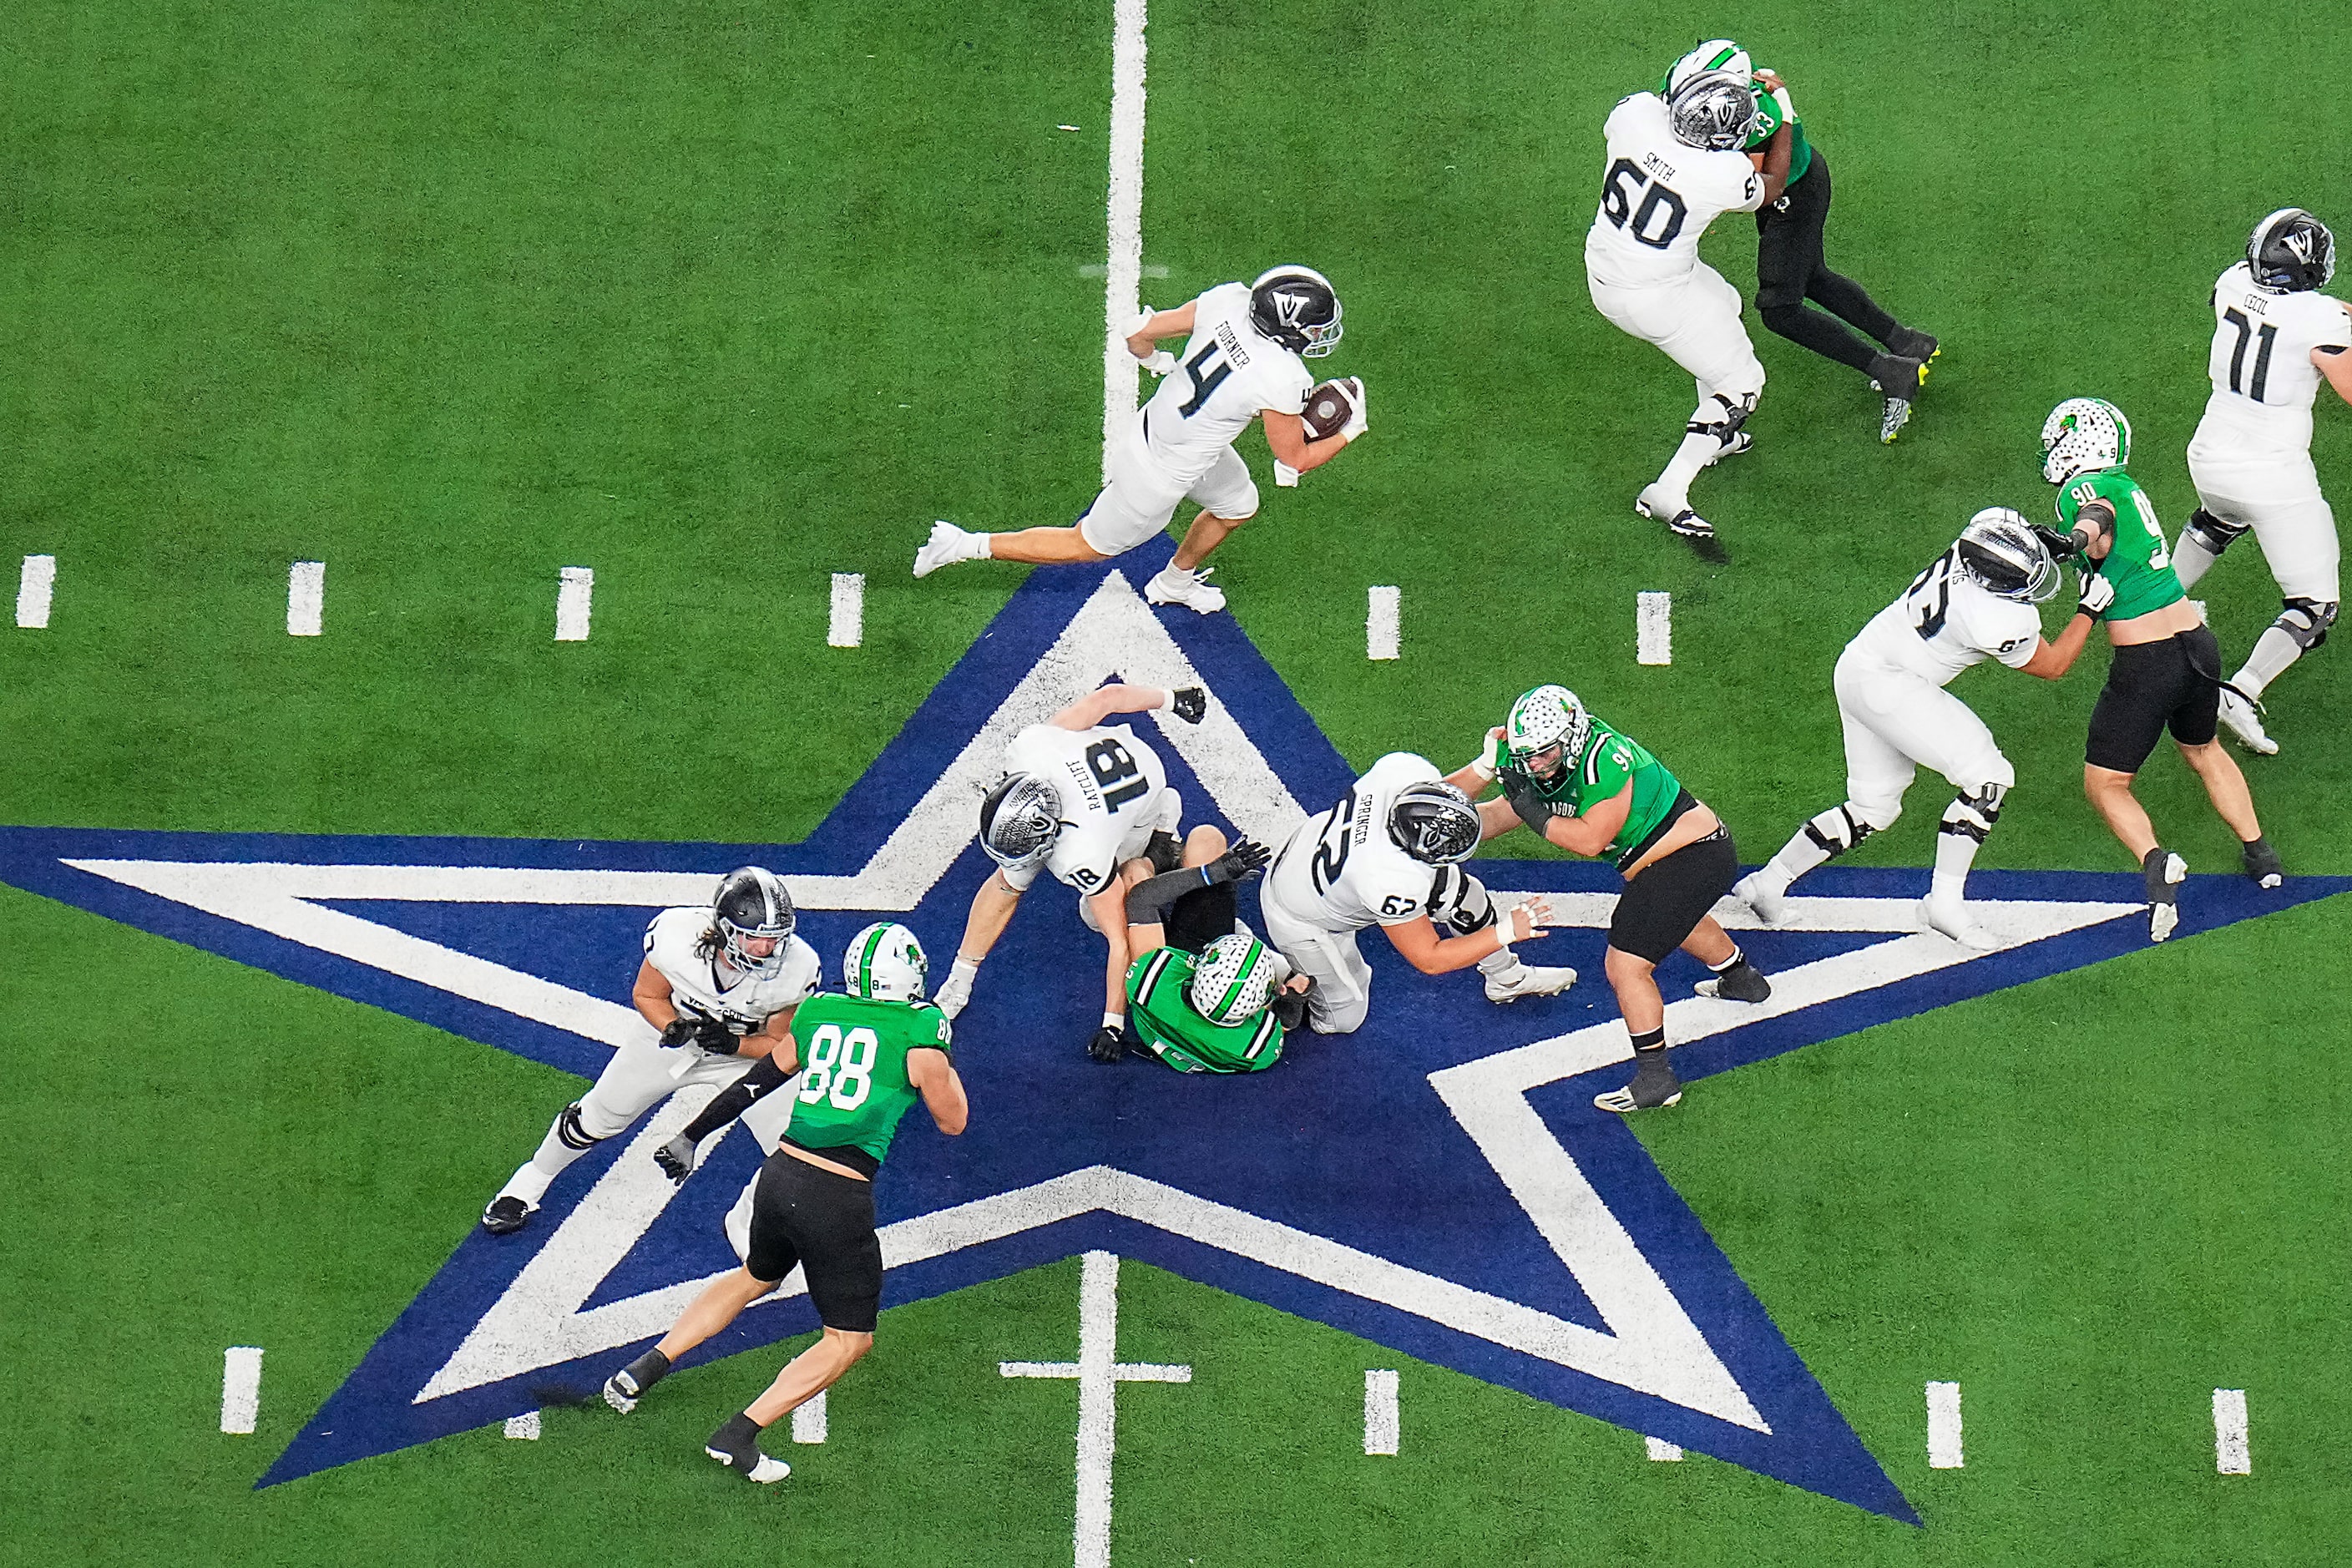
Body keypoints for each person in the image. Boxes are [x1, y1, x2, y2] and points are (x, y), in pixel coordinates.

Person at [601, 922, 966, 1486]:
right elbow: (952, 1120)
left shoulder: (819, 1013)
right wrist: (935, 1060)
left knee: (754, 1276)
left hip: (779, 1176)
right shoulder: (919, 1029)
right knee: (848, 1339)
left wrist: (690, 1135)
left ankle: (644, 1368)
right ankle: (738, 1434)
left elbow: (755, 1081)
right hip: (835, 1196)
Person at [1735, 509, 2098, 946]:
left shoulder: (1983, 530)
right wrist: (2088, 610)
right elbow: (2054, 664)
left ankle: (1767, 882)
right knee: (1989, 778)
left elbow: (2004, 536)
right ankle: (1943, 902)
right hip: (1892, 688)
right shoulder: (1999, 621)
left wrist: (2052, 543)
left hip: (1858, 666)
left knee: (1874, 808)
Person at [913, 267, 1366, 614]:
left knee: (1238, 506)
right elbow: (1293, 461)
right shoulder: (1284, 376)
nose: (1319, 334)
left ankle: (1174, 582)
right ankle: (963, 544)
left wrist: (1155, 362)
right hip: (1158, 474)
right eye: (1315, 326)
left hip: (1168, 431)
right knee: (1087, 545)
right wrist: (1350, 429)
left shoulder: (1229, 300)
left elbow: (1138, 333)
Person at [2038, 398, 2284, 940]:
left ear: (2079, 443)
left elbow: (2094, 517)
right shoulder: (2128, 486)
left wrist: (2071, 541)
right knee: (2202, 749)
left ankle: (2155, 865)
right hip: (2196, 645)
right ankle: (2260, 856)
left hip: (2146, 661)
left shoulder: (2082, 491)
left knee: (2105, 783)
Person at [479, 867, 817, 1236]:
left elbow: (781, 1045)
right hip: (676, 1040)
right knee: (598, 1116)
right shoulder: (678, 938)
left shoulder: (796, 969)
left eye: (774, 938)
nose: (765, 949)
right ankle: (531, 1179)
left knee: (796, 1143)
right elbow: (647, 994)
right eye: (754, 937)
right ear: (724, 927)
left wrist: (737, 1044)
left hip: (742, 1056)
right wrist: (670, 1026)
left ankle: (753, 1227)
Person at [1483, 685, 1772, 1114]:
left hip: (1692, 854)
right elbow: (1500, 814)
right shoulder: (1535, 758)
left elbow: (1589, 838)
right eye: (1530, 757)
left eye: (1546, 754)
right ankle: (1744, 981)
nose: (1537, 766)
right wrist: (1448, 833)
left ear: (1574, 736)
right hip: (1677, 857)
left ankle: (1657, 1077)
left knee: (1626, 965)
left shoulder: (1606, 759)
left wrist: (1533, 811)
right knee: (1678, 916)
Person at [1661, 41, 1943, 445]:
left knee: (1779, 309)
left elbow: (1757, 189)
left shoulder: (1759, 119)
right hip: (1796, 181)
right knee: (1812, 277)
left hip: (1789, 195)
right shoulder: (1698, 83)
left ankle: (1891, 371)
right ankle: (1909, 342)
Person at [931, 681, 1206, 1062]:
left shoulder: (1082, 853)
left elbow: (1118, 940)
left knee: (1100, 913)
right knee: (1010, 878)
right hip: (1114, 760)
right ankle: (959, 981)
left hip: (1141, 796)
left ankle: (1161, 831)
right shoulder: (1033, 751)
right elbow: (1108, 697)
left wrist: (1113, 1021)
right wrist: (1173, 700)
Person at [1586, 54, 1791, 544]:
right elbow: (1772, 187)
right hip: (1655, 295)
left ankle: (1712, 436)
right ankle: (1669, 489)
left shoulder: (1636, 115)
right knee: (1744, 378)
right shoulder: (1719, 173)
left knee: (1724, 305)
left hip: (1611, 263)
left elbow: (1657, 106)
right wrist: (1783, 112)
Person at [2172, 208, 2352, 754]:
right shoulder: (2317, 319)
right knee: (2315, 606)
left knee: (2219, 519)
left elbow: (2288, 318)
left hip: (2210, 453)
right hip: (2272, 474)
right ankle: (2241, 691)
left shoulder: (2231, 282)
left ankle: (2154, 603)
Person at [1258, 751, 1576, 1036]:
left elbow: (1444, 802)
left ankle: (1507, 978)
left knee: (1466, 898)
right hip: (1300, 917)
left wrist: (1486, 768)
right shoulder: (1388, 878)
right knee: (1344, 1017)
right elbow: (1429, 958)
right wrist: (1506, 932)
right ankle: (1270, 971)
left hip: (1308, 859)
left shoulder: (1400, 778)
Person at [1112, 826, 1311, 1071]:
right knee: (1208, 841)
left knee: (1134, 873)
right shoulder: (1257, 1048)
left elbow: (1142, 898)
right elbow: (1280, 1022)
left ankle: (1162, 860)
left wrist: (1211, 873)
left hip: (1166, 977)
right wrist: (1289, 1003)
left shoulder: (1153, 982)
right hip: (1184, 994)